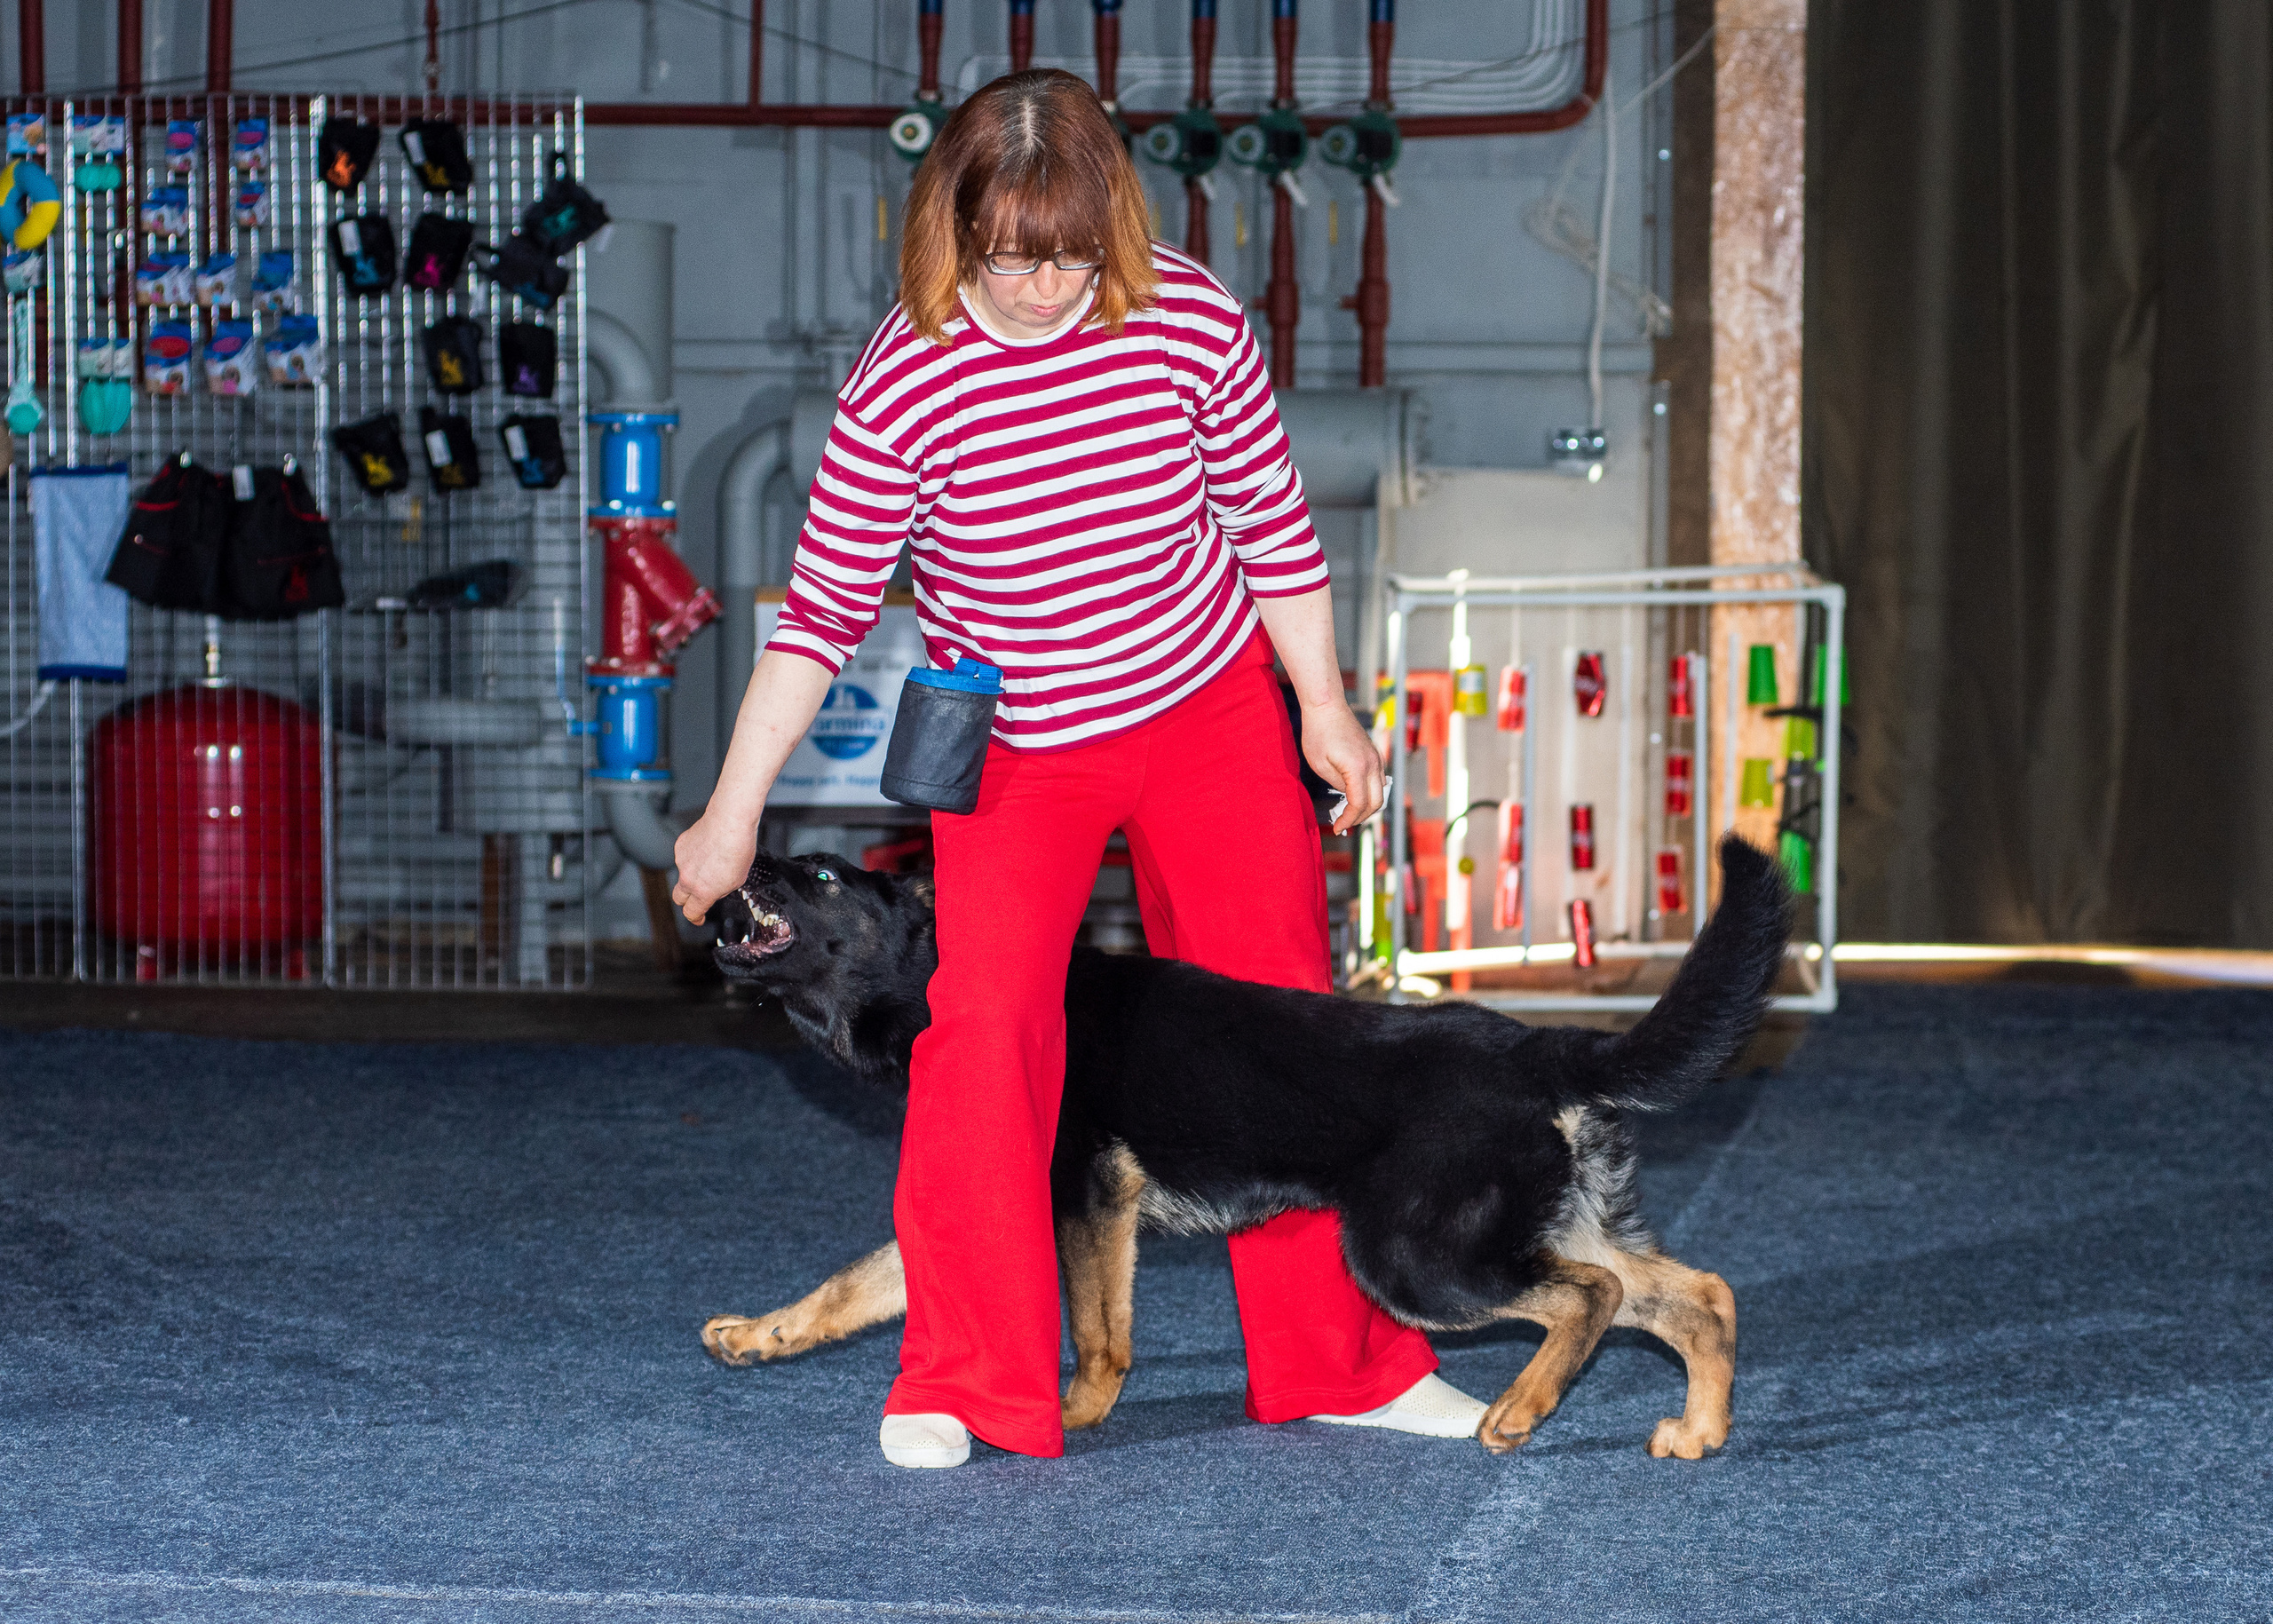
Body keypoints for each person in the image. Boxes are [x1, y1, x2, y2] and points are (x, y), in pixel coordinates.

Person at [672, 68, 1486, 1469]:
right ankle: (963, 1381)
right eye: (1008, 259)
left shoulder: (1185, 319)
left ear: (1108, 221)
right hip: (1024, 743)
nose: (1042, 289)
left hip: (1206, 706)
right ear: (956, 229)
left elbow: (1273, 522)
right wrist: (731, 810)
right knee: (982, 1033)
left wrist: (1326, 710)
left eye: (1065, 256)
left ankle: (1342, 1365)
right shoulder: (903, 379)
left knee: (1285, 1021)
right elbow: (819, 616)